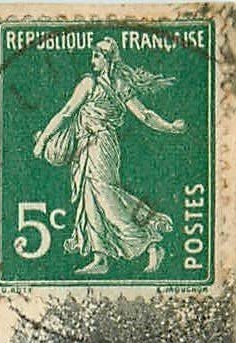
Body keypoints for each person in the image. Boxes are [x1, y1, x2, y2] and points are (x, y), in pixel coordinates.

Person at [33, 37, 185, 276]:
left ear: (108, 59)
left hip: (101, 146)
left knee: (106, 197)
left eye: (97, 56)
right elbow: (67, 112)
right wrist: (44, 140)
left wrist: (170, 127)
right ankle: (100, 257)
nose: (92, 60)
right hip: (85, 147)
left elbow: (144, 115)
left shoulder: (102, 84)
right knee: (90, 198)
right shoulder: (95, 83)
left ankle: (149, 242)